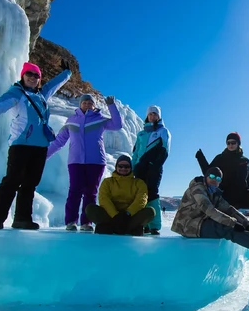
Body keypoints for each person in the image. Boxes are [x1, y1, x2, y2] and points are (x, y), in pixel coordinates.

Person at [0, 60, 72, 230]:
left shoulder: (41, 95)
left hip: (40, 147)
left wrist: (67, 73)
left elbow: (54, 85)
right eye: (29, 74)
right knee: (12, 181)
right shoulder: (17, 94)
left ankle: (22, 219)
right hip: (20, 145)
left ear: (39, 79)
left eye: (36, 75)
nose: (32, 77)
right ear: (22, 76)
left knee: (30, 184)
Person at [171, 167, 249, 260]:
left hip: (201, 222)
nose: (214, 180)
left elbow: (229, 209)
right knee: (227, 227)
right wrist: (232, 223)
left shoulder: (215, 193)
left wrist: (246, 222)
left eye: (218, 178)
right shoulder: (198, 188)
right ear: (206, 177)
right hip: (187, 225)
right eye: (211, 176)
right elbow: (208, 209)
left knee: (240, 226)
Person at [47, 94, 123, 232]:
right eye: (85, 102)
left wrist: (111, 105)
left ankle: (86, 222)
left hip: (96, 162)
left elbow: (117, 125)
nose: (87, 104)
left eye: (90, 103)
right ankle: (71, 221)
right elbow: (59, 141)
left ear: (94, 106)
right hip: (76, 162)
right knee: (74, 191)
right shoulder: (71, 121)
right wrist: (44, 156)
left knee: (91, 193)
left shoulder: (100, 119)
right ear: (80, 104)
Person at [196, 133, 249, 237]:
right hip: (226, 197)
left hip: (243, 195)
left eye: (233, 142)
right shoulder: (220, 158)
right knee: (230, 221)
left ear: (238, 144)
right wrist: (200, 158)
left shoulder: (245, 161)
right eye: (228, 143)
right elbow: (209, 173)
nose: (230, 145)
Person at [85, 155, 155, 235]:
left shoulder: (139, 183)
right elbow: (104, 199)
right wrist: (115, 215)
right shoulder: (107, 182)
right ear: (116, 167)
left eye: (126, 166)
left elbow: (141, 200)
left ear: (131, 168)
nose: (123, 168)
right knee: (90, 208)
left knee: (150, 211)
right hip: (111, 216)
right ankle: (131, 229)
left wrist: (127, 214)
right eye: (120, 166)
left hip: (130, 217)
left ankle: (108, 227)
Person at [132, 105, 171, 235]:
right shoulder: (141, 133)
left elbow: (165, 150)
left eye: (155, 114)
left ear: (159, 116)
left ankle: (154, 225)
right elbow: (136, 152)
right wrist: (133, 167)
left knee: (152, 193)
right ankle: (144, 224)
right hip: (140, 168)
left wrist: (156, 166)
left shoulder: (163, 131)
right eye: (150, 114)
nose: (152, 116)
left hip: (154, 168)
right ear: (147, 116)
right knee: (140, 195)